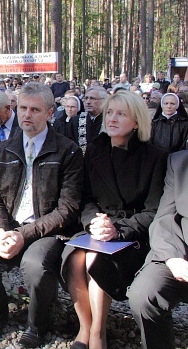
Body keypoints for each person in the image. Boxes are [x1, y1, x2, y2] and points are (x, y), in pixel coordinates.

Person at [0, 82, 84, 348]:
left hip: (47, 228)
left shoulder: (68, 151)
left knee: (35, 265)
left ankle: (37, 324)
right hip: (8, 224)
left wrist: (22, 234)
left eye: (35, 110)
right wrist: (0, 230)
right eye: (23, 108)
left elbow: (68, 208)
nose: (27, 115)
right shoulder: (4, 149)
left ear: (50, 113)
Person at [60, 90, 167, 349]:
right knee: (75, 258)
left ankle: (98, 334)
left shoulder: (156, 157)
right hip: (98, 227)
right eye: (109, 112)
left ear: (137, 121)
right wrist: (93, 223)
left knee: (95, 259)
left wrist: (117, 230)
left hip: (134, 235)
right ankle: (85, 328)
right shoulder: (94, 151)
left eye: (121, 114)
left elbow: (153, 211)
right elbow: (85, 198)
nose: (112, 118)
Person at [128, 150, 188, 349]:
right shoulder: (179, 162)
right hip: (180, 251)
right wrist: (173, 258)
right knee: (144, 293)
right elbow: (164, 217)